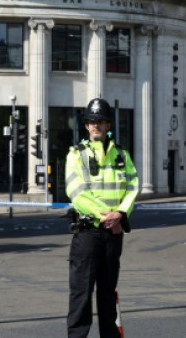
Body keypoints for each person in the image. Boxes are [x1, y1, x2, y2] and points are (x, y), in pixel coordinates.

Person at [65, 97, 139, 338]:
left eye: (101, 120)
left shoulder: (122, 155)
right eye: (92, 121)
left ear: (109, 125)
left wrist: (120, 214)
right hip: (88, 234)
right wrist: (106, 217)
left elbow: (133, 187)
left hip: (113, 234)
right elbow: (76, 193)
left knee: (108, 295)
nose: (96, 124)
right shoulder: (76, 154)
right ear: (86, 125)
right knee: (81, 295)